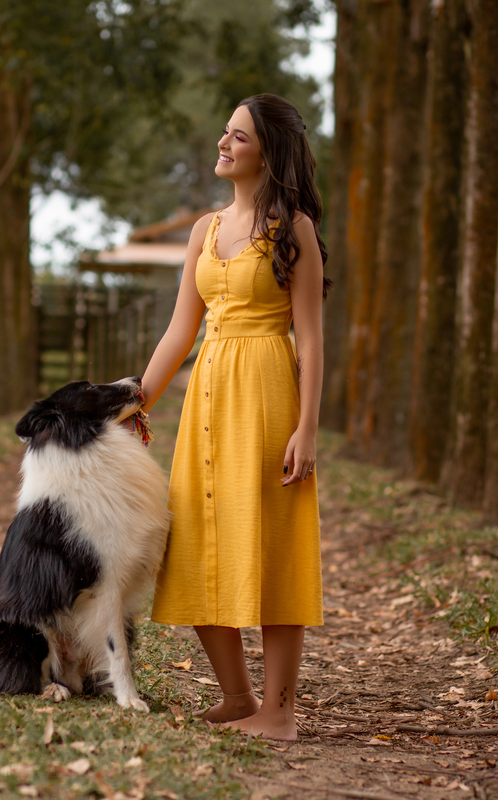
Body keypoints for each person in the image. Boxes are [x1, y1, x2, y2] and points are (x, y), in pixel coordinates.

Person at [139, 93, 328, 742]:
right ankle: (239, 695)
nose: (223, 144)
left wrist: (307, 428)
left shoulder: (294, 230)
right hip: (209, 396)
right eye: (224, 133)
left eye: (239, 137)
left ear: (268, 153)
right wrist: (136, 400)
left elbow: (312, 339)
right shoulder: (205, 231)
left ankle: (281, 712)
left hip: (268, 394)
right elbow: (178, 332)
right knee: (190, 540)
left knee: (273, 547)